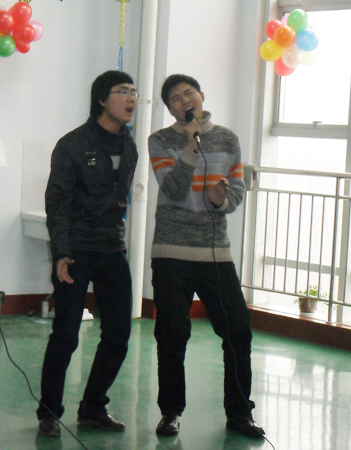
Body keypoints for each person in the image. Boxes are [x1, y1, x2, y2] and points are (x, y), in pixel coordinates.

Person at [148, 74, 265, 438]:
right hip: (172, 251)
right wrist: (188, 146)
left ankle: (239, 414)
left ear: (201, 96)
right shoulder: (159, 140)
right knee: (171, 334)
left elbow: (236, 191)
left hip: (215, 252)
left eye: (189, 93)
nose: (185, 101)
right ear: (171, 109)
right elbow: (172, 188)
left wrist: (220, 201)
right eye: (175, 98)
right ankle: (170, 412)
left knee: (238, 331)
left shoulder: (228, 139)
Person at [37, 70, 138, 436]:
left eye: (133, 92)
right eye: (122, 91)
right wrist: (61, 252)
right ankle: (49, 412)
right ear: (101, 99)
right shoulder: (73, 144)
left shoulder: (129, 145)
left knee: (118, 334)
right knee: (66, 334)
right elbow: (58, 202)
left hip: (112, 247)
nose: (130, 98)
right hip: (77, 249)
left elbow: (119, 201)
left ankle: (93, 407)